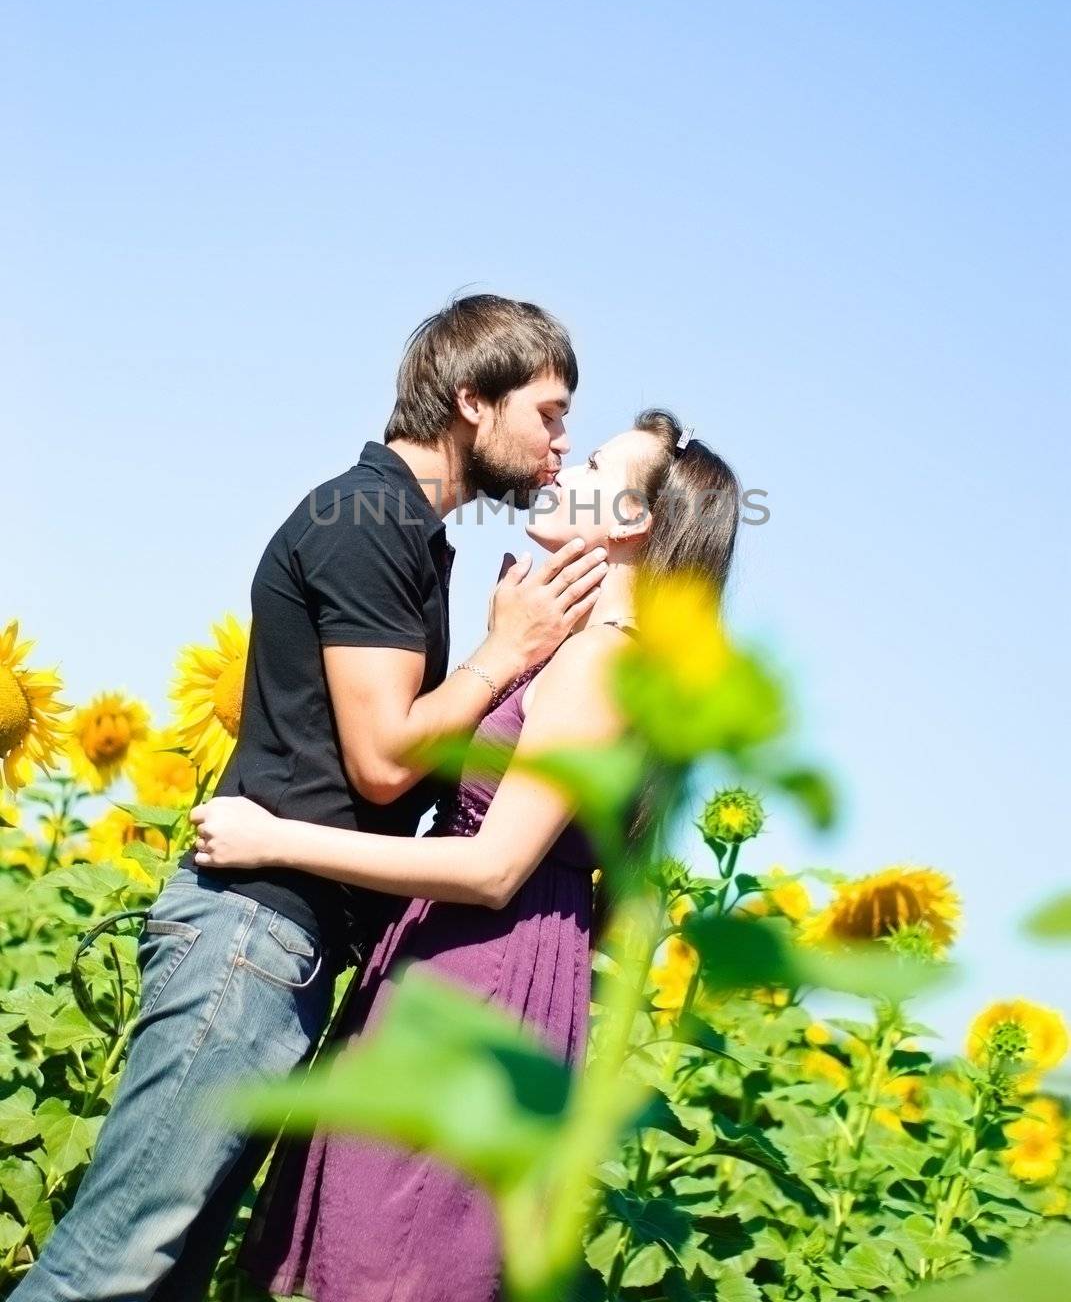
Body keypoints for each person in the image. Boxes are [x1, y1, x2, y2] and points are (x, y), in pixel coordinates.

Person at [13, 294, 609, 1302]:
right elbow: (382, 761)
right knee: (108, 1272)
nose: (561, 440)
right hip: (251, 932)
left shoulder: (405, 531)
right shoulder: (369, 518)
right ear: (473, 399)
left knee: (156, 1279)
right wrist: (505, 656)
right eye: (549, 412)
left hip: (277, 939)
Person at [191, 408, 740, 1302]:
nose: (566, 465)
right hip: (485, 975)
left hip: (474, 985)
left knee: (392, 1261)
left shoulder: (601, 665)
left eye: (595, 460)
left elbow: (491, 867)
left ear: (633, 520)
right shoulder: (597, 659)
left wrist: (275, 835)